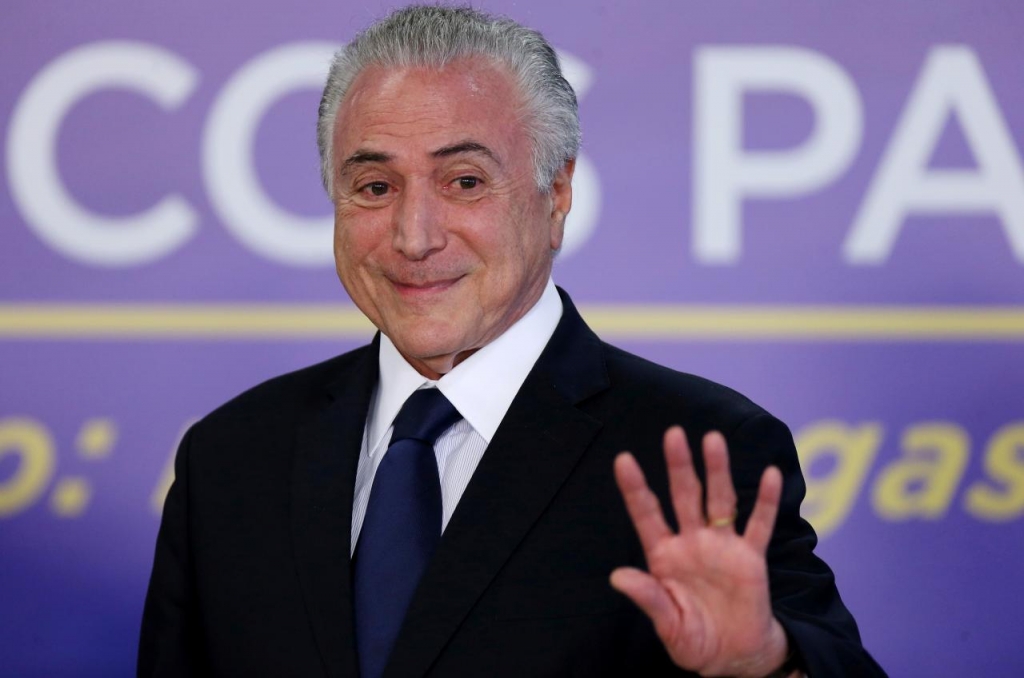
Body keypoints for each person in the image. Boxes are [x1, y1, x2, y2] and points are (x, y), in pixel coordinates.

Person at [139, 6, 886, 677]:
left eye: (465, 182)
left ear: (555, 196)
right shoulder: (232, 458)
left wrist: (762, 665)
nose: (414, 236)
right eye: (375, 188)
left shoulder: (695, 450)